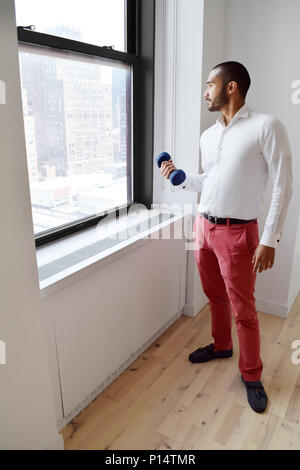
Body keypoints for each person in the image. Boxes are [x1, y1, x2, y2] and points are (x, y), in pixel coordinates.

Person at [160, 61, 293, 413]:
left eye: (210, 85)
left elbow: (283, 184)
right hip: (203, 227)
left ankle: (251, 374)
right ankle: (221, 346)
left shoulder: (267, 126)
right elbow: (210, 181)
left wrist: (270, 238)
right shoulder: (208, 135)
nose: (205, 92)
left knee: (244, 310)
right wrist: (181, 178)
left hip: (239, 233)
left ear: (230, 87)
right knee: (214, 296)